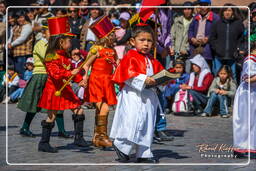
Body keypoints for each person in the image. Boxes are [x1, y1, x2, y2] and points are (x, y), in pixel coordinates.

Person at [36, 16, 94, 153]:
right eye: (69, 41)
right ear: (61, 42)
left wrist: (80, 79)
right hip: (54, 90)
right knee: (51, 116)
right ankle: (43, 143)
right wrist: (70, 74)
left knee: (79, 109)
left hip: (65, 89)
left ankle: (78, 138)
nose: (72, 43)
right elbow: (56, 74)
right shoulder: (51, 56)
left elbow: (72, 71)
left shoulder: (64, 56)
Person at [110, 24, 164, 163]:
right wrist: (144, 79)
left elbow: (159, 74)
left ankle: (143, 152)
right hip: (133, 95)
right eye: (142, 40)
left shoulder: (152, 59)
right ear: (133, 41)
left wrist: (165, 78)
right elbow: (127, 74)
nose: (146, 43)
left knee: (147, 123)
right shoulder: (130, 56)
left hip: (148, 97)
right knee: (132, 121)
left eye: (149, 40)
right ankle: (121, 146)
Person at [17, 22, 72, 139]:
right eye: (49, 32)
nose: (52, 35)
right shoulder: (40, 44)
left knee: (56, 103)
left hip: (52, 76)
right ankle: (25, 127)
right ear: (44, 33)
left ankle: (62, 130)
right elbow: (48, 57)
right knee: (34, 103)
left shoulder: (54, 47)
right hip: (40, 75)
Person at [82, 16, 118, 149]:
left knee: (100, 110)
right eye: (112, 34)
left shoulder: (113, 51)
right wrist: (85, 77)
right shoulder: (96, 50)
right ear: (105, 36)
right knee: (104, 108)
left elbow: (118, 66)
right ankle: (103, 136)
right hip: (96, 81)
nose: (115, 36)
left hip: (107, 82)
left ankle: (96, 137)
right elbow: (86, 65)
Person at [233, 34, 256, 159]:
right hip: (246, 95)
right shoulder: (249, 60)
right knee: (245, 120)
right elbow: (248, 79)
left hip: (253, 94)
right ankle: (241, 147)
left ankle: (251, 146)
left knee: (252, 120)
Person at [209, 4, 244, 83]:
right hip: (219, 56)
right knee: (217, 76)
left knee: (233, 76)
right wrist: (216, 48)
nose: (227, 12)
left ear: (233, 12)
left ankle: (233, 95)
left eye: (229, 10)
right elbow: (212, 38)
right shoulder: (217, 23)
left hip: (233, 56)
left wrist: (238, 49)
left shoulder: (238, 24)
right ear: (222, 12)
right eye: (225, 10)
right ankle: (217, 94)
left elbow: (242, 38)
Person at [188, 0, 220, 69]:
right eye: (201, 5)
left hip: (207, 47)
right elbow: (190, 30)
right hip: (195, 47)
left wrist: (208, 38)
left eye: (205, 5)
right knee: (195, 69)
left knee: (206, 69)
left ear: (209, 6)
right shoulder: (196, 17)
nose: (203, 7)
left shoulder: (215, 18)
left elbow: (217, 31)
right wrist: (192, 38)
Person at [8, 10, 34, 79]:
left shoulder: (28, 26)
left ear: (25, 17)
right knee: (18, 74)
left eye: (21, 17)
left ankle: (24, 89)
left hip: (24, 54)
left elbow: (22, 38)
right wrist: (7, 45)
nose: (20, 19)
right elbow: (11, 37)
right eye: (18, 18)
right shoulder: (16, 27)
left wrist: (11, 44)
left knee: (23, 74)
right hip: (15, 54)